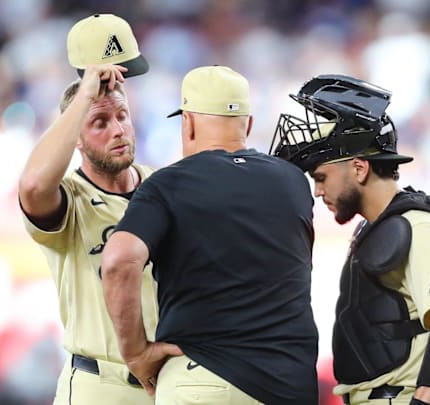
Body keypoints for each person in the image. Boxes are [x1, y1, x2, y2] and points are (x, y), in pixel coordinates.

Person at [100, 65, 320, 404]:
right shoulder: (294, 181)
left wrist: (137, 354)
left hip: (202, 377)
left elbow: (118, 261)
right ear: (247, 124)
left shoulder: (167, 184)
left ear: (187, 123)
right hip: (289, 385)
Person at [270, 74, 430, 405]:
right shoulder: (381, 227)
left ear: (359, 169)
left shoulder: (417, 224)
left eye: (322, 177)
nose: (317, 191)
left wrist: (427, 400)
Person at [18, 14, 158, 405]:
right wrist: (83, 97)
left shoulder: (164, 186)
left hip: (168, 385)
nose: (117, 130)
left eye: (122, 116)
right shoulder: (70, 199)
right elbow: (32, 185)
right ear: (75, 138)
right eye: (99, 122)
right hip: (100, 385)